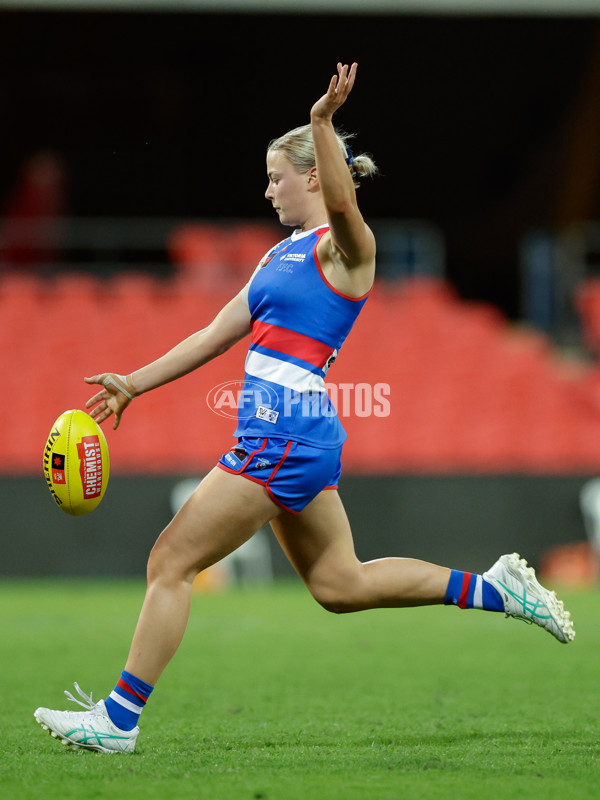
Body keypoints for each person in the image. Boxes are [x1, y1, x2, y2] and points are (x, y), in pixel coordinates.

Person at [34, 63, 575, 755]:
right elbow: (211, 334)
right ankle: (496, 589)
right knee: (339, 584)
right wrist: (133, 384)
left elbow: (347, 210)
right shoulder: (278, 257)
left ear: (313, 176)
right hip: (294, 434)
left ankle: (118, 720)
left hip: (283, 433)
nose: (267, 189)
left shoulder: (345, 253)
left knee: (168, 561)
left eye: (275, 177)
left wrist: (320, 123)